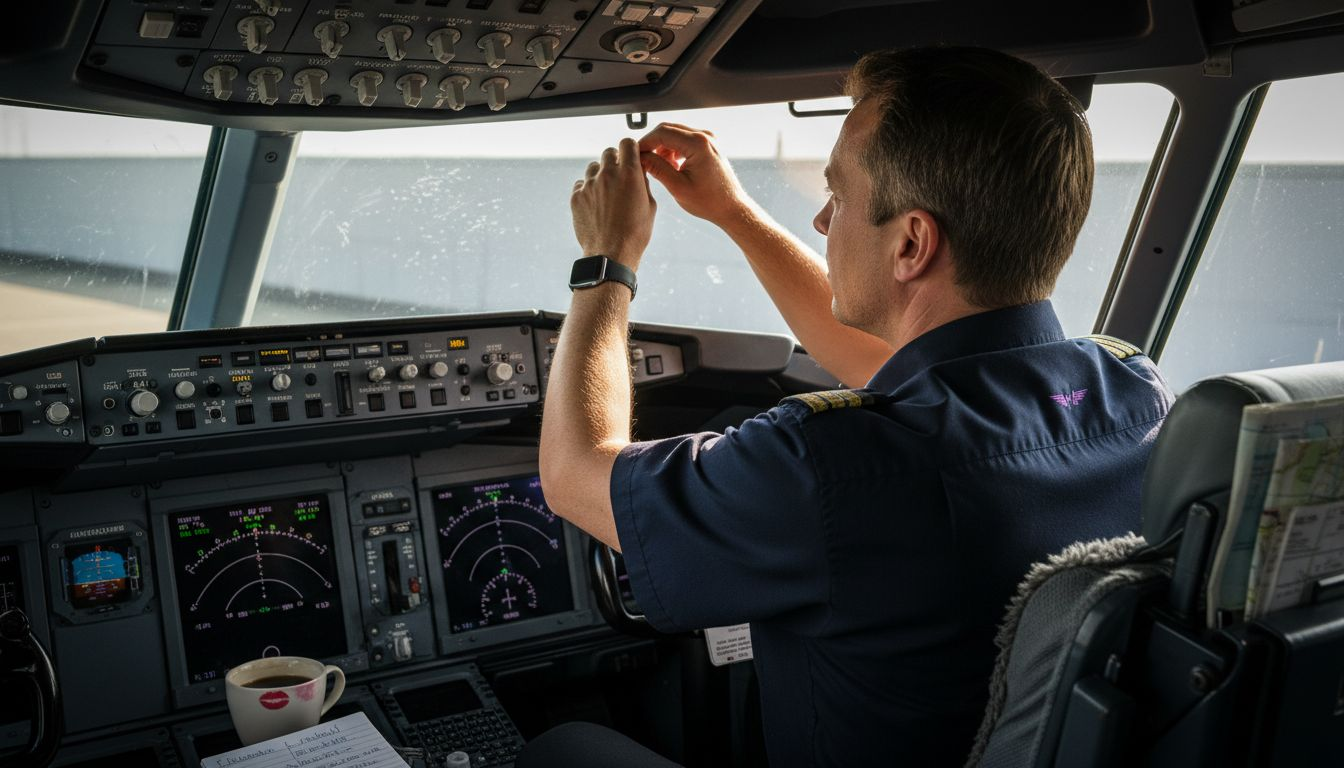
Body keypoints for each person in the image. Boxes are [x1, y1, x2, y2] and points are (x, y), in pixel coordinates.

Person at [532, 46, 1174, 766]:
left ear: (912, 243)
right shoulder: (1132, 390)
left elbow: (574, 471)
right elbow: (897, 372)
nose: (821, 219)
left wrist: (607, 260)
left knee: (564, 748)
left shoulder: (825, 464)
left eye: (837, 196)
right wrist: (733, 214)